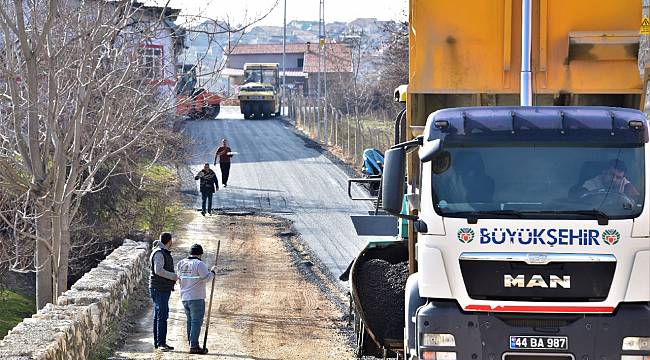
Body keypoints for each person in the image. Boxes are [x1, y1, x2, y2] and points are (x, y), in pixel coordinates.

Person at [176, 244, 215, 355]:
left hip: (184, 297)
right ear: (200, 254)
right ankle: (193, 346)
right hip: (196, 297)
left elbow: (179, 278)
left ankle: (192, 343)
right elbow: (207, 278)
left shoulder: (181, 263)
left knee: (190, 321)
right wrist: (213, 272)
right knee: (196, 322)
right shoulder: (199, 264)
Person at [149, 232, 178, 352]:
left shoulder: (159, 251)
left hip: (160, 288)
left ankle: (158, 342)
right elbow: (158, 270)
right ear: (169, 241)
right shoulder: (159, 253)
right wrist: (173, 276)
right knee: (162, 316)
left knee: (158, 315)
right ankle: (161, 343)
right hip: (160, 288)